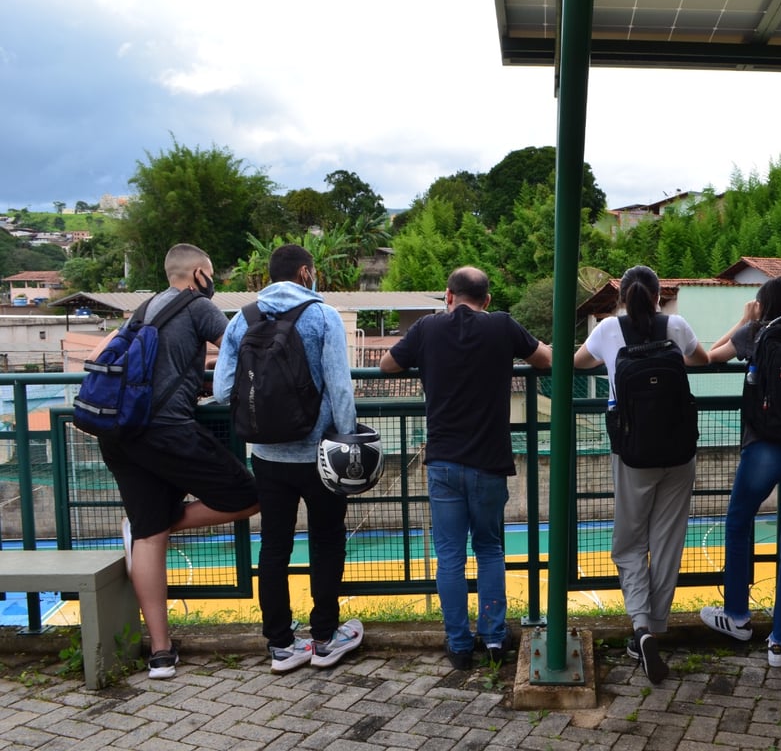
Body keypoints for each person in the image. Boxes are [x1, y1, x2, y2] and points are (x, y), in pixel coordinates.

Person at [97, 243, 260, 679]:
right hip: (166, 431)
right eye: (211, 275)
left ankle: (161, 654)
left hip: (118, 432)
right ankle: (164, 521)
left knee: (148, 535)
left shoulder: (145, 306)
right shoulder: (198, 306)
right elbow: (240, 352)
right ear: (200, 274)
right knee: (249, 495)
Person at [379, 267, 551, 670]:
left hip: (442, 461)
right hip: (489, 462)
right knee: (490, 549)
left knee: (450, 557)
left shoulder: (427, 328)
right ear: (487, 300)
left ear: (448, 296)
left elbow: (388, 365)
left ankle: (458, 645)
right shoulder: (502, 326)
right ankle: (493, 638)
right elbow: (545, 359)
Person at [213, 244, 363, 673]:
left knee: (274, 546)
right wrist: (347, 441)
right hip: (319, 455)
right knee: (327, 540)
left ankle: (280, 646)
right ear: (304, 272)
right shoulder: (323, 316)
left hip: (266, 455)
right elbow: (340, 389)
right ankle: (324, 637)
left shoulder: (243, 318)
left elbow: (225, 390)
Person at [573, 265, 708, 683]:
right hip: (679, 452)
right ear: (657, 297)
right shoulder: (677, 325)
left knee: (629, 542)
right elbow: (701, 360)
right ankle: (656, 628)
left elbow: (577, 363)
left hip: (633, 454)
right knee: (667, 541)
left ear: (622, 298)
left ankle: (641, 626)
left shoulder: (608, 330)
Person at [698, 277, 781, 668]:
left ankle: (736, 616)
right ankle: (780, 641)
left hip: (765, 446)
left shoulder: (756, 331)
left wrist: (744, 319)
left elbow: (711, 356)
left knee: (739, 523)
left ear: (762, 304)